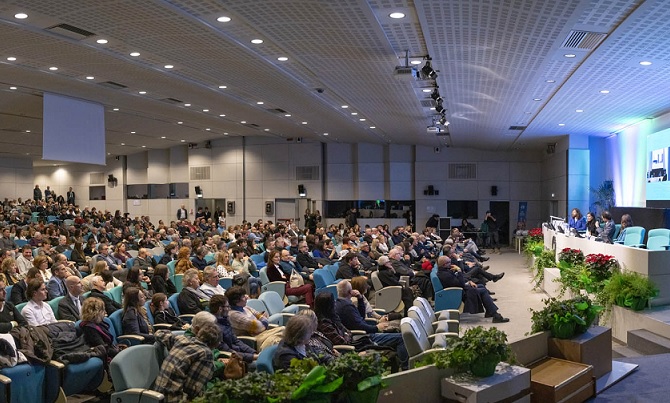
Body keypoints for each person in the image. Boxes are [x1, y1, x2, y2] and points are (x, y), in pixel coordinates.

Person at [334, 280, 408, 369]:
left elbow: (361, 317)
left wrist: (360, 298)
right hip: (363, 337)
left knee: (396, 332)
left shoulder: (341, 303)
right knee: (401, 338)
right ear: (350, 292)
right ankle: (405, 368)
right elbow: (360, 326)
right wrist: (376, 328)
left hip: (363, 334)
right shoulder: (346, 307)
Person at [153, 322, 220, 402]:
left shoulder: (182, 339)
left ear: (198, 333)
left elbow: (159, 333)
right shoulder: (206, 355)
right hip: (175, 399)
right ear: (216, 344)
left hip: (158, 394)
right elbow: (192, 391)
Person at [435, 255, 509, 323]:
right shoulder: (445, 274)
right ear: (445, 264)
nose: (451, 264)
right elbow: (460, 284)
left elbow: (459, 282)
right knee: (482, 290)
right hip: (457, 293)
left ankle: (490, 311)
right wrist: (459, 271)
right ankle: (495, 315)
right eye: (449, 262)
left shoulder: (445, 271)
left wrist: (468, 282)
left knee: (480, 286)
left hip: (459, 290)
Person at [209, 294, 258, 369]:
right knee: (257, 365)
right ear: (220, 309)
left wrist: (253, 352)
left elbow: (236, 340)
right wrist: (252, 357)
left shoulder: (225, 320)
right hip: (228, 359)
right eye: (227, 306)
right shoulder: (214, 328)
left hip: (238, 353)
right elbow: (227, 351)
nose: (229, 309)